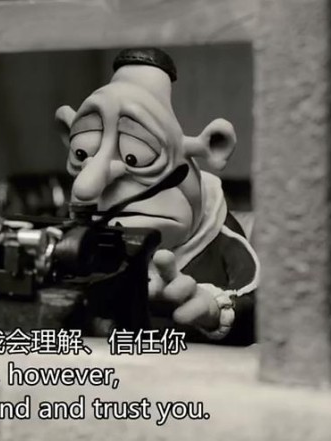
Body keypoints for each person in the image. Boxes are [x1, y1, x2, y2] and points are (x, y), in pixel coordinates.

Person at [54, 48, 260, 345]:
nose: (86, 187)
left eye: (135, 156)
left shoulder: (219, 235)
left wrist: (215, 310)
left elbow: (261, 306)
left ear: (214, 145)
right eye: (82, 153)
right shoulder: (81, 235)